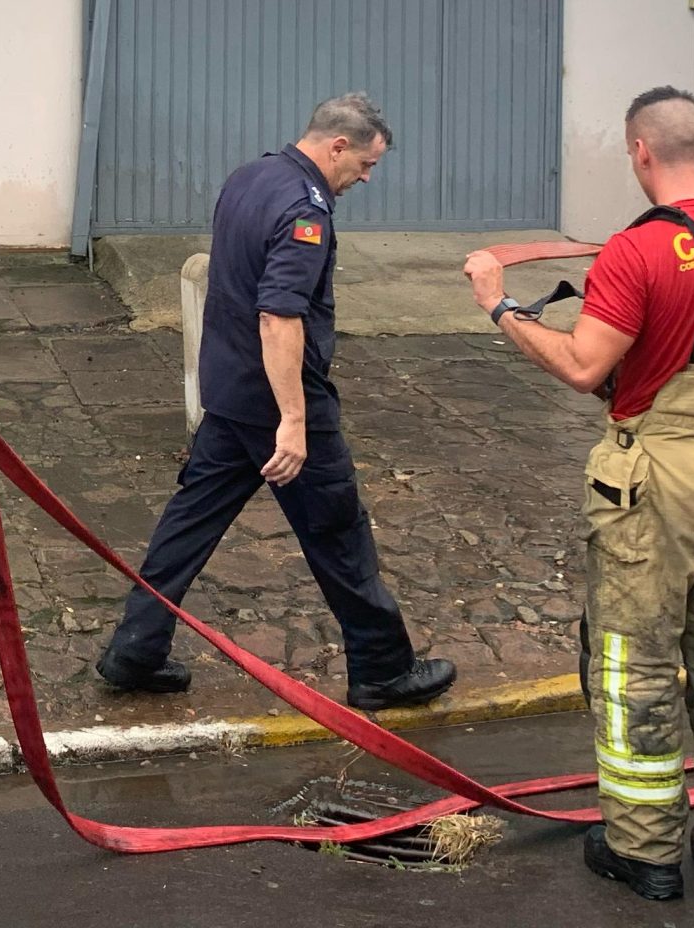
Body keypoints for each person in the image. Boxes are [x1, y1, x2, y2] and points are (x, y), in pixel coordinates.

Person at [463, 86, 694, 903]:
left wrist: (499, 305)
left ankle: (643, 849)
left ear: (640, 154)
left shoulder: (635, 253)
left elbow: (584, 365)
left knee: (634, 659)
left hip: (659, 478)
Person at [94, 94, 457, 714]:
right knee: (339, 533)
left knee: (189, 524)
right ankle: (382, 669)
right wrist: (293, 420)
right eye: (367, 164)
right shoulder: (304, 209)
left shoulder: (252, 175)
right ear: (338, 146)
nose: (367, 178)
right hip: (280, 400)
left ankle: (135, 651)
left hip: (229, 392)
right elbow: (279, 314)